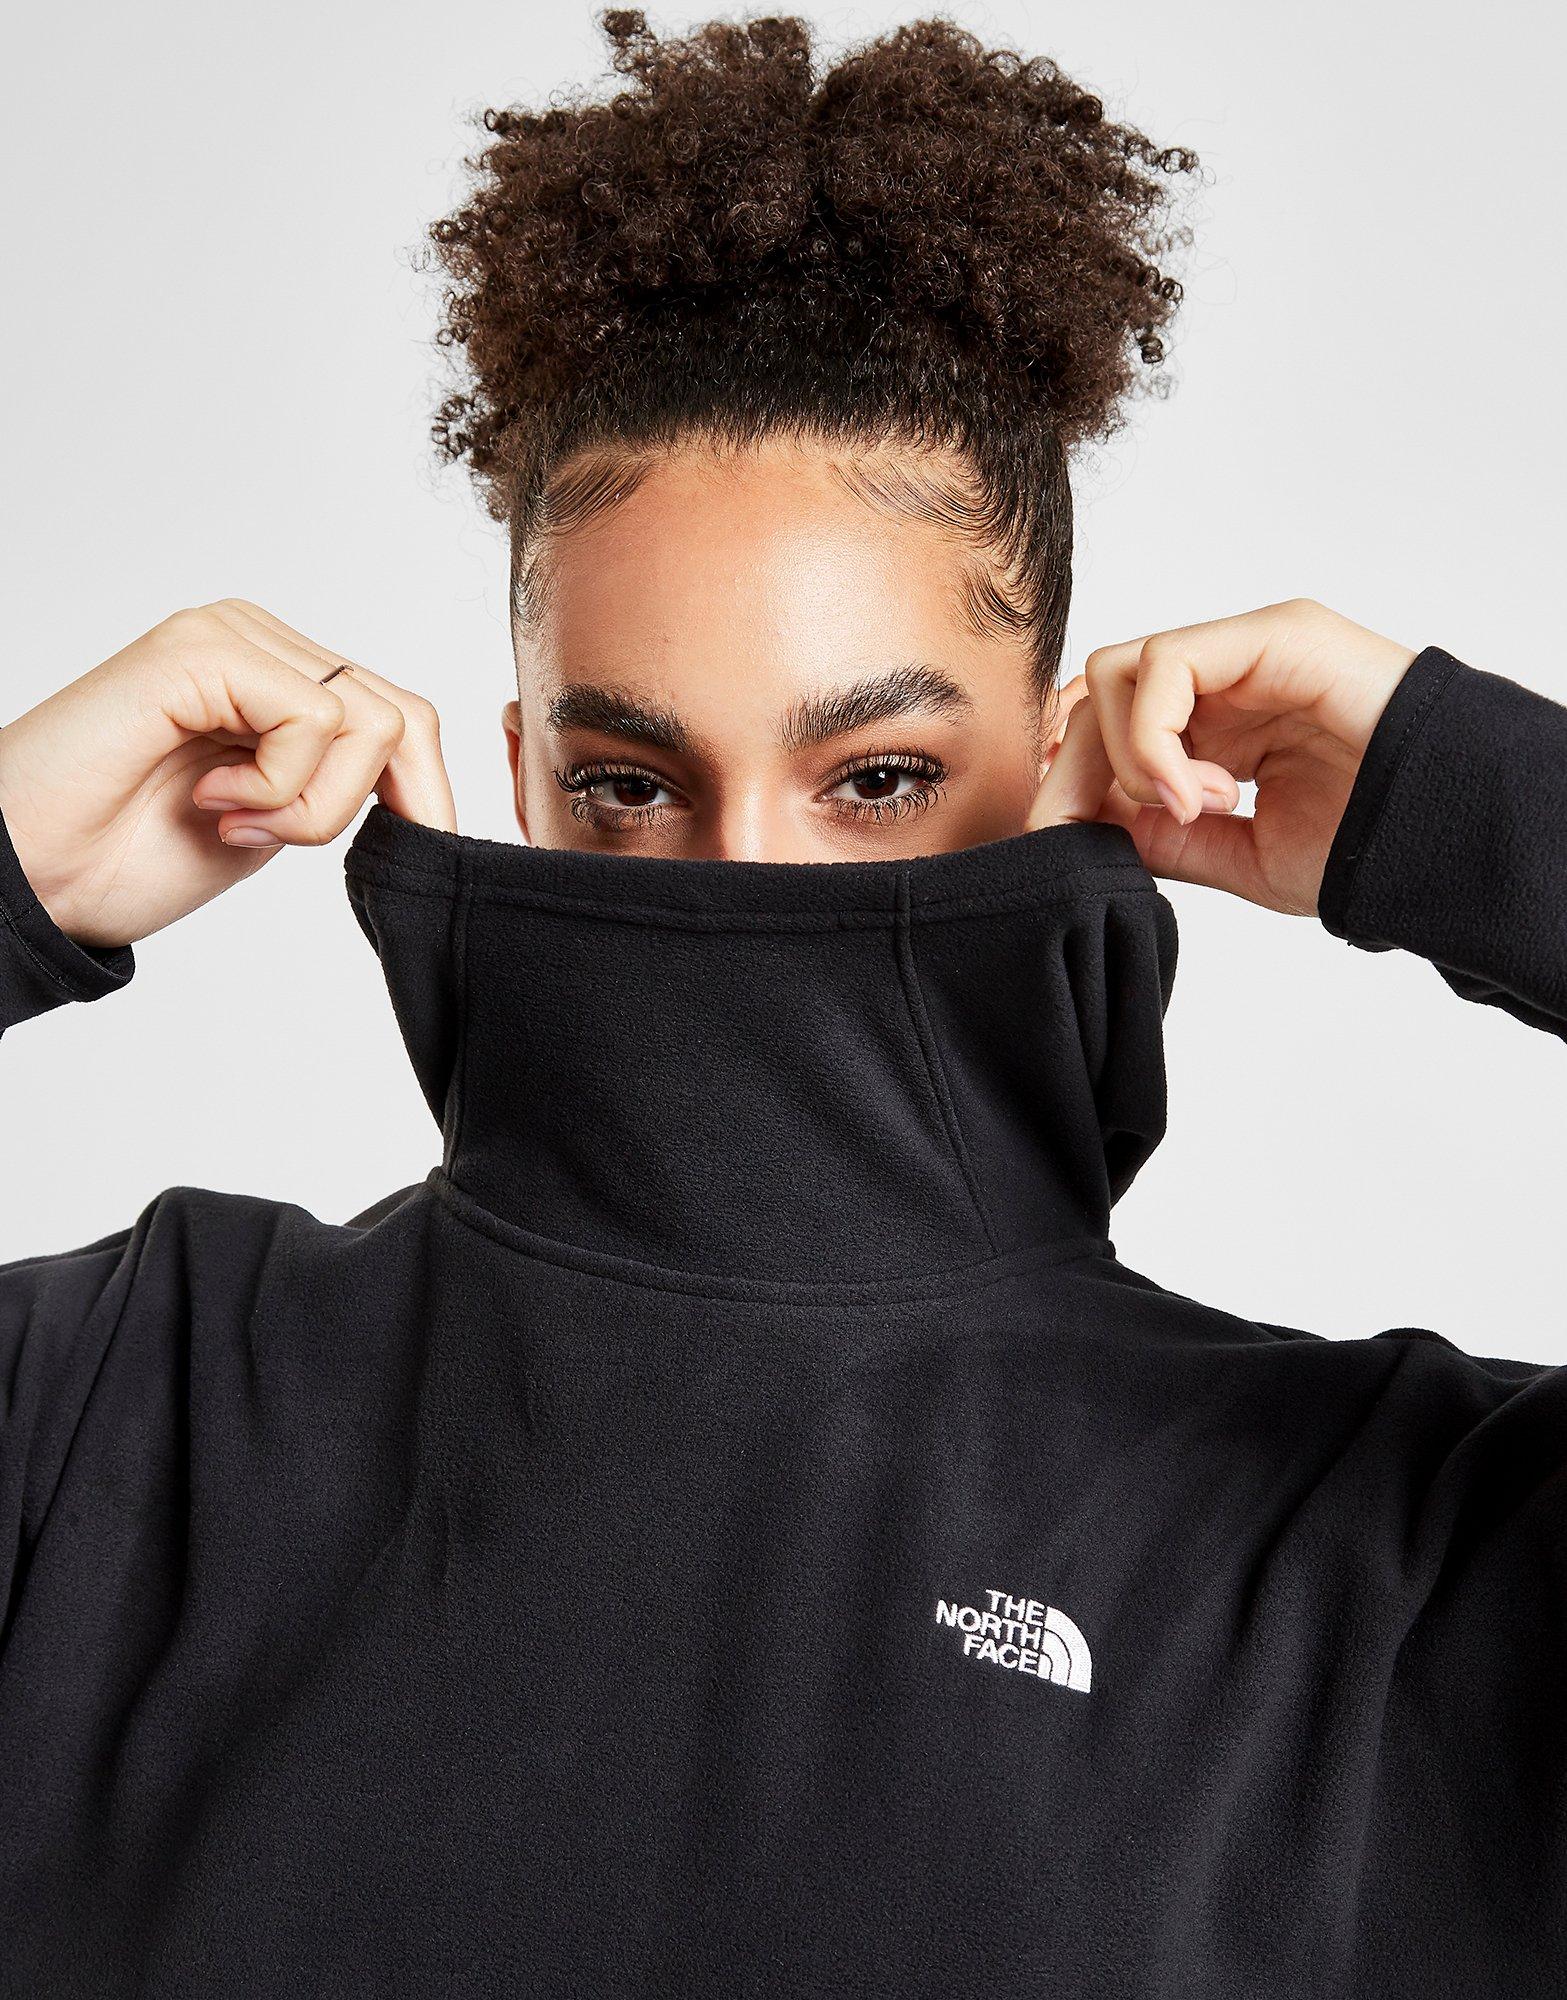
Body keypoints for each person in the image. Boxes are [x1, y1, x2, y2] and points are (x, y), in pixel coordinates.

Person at [0, 11, 1562, 1997]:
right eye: (630, 781)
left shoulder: (1378, 1553)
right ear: (524, 771)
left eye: (877, 777)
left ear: (1065, 766)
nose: (742, 877)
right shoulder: (117, 1420)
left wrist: (1466, 811)